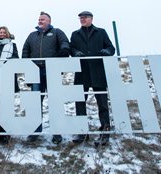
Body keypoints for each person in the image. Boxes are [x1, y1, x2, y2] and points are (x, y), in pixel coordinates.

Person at [22, 11, 70, 144]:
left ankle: (57, 132)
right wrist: (27, 67)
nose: (40, 21)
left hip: (52, 70)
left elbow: (65, 42)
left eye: (43, 19)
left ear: (49, 21)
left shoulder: (57, 32)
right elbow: (25, 51)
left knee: (55, 102)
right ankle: (35, 131)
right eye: (39, 19)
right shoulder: (32, 35)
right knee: (35, 103)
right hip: (35, 71)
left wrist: (64, 50)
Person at [70, 11, 115, 147]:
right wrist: (75, 52)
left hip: (98, 72)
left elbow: (111, 48)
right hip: (82, 73)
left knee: (102, 103)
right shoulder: (75, 34)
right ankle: (83, 133)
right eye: (80, 18)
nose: (82, 20)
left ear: (91, 19)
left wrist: (106, 52)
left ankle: (105, 132)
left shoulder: (101, 32)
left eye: (84, 17)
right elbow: (71, 48)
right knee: (79, 103)